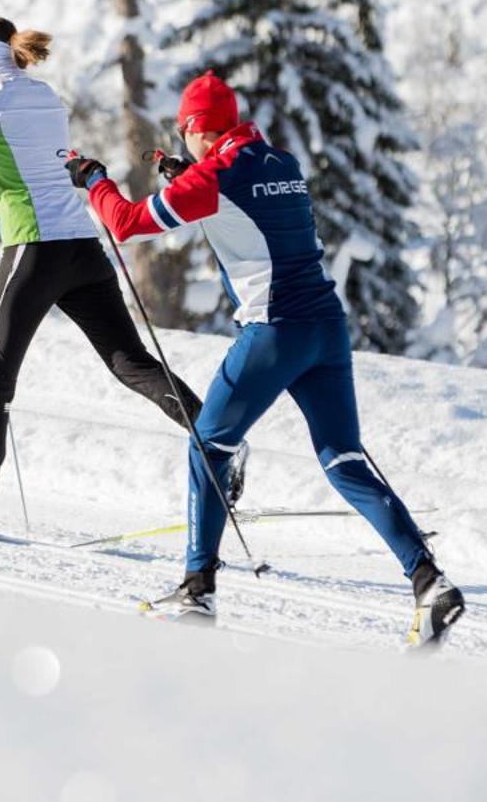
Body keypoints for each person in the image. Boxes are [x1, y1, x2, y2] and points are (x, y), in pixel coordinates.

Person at [65, 71, 464, 645]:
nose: (183, 142)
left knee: (208, 444)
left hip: (275, 330)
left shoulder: (216, 175)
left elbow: (125, 225)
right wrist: (190, 178)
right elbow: (248, 210)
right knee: (343, 459)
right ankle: (430, 582)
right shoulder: (281, 163)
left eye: (185, 132)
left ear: (199, 128)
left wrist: (94, 179)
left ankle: (197, 590)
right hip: (327, 328)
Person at [0, 17, 242, 537]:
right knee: (130, 361)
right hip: (83, 248)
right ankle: (216, 436)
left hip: (32, 250)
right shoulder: (44, 93)